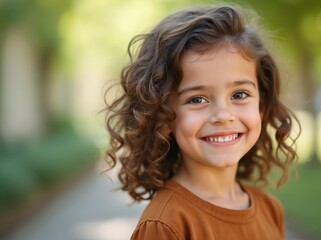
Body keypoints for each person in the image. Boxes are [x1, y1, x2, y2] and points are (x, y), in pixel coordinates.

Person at [105, 4, 300, 240]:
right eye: (197, 99)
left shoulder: (270, 209)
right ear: (163, 117)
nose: (223, 115)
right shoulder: (165, 225)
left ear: (262, 105)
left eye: (239, 95)